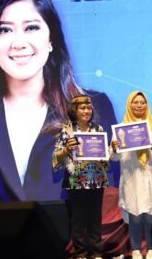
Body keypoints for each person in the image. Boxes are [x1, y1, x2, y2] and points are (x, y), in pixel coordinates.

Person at [0, 0, 118, 202]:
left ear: (51, 39)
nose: (18, 43)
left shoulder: (93, 106)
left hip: (76, 223)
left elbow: (112, 188)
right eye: (4, 30)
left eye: (31, 27)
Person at [111, 91, 152, 259]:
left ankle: (151, 249)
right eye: (135, 102)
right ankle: (136, 250)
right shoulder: (121, 129)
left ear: (147, 105)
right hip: (132, 178)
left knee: (151, 215)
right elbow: (114, 157)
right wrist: (114, 148)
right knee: (135, 215)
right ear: (129, 105)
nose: (139, 105)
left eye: (142, 102)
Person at [53, 95, 109, 259]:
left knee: (95, 218)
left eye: (89, 108)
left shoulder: (98, 129)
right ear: (74, 110)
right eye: (82, 108)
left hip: (96, 179)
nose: (86, 111)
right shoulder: (67, 131)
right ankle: (80, 253)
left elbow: (104, 155)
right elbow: (55, 157)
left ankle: (96, 252)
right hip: (75, 181)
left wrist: (105, 155)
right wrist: (66, 150)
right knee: (78, 219)